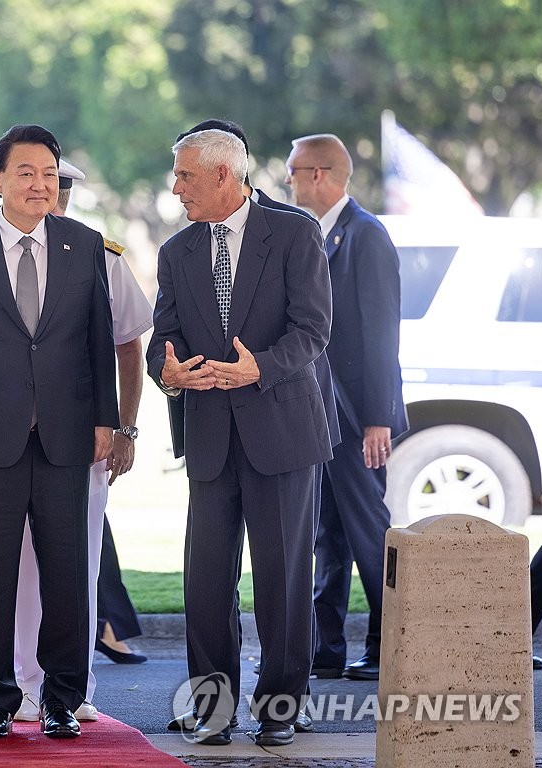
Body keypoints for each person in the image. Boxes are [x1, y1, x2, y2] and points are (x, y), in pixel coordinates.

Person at [0, 124, 119, 740]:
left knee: (67, 573)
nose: (40, 184)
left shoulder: (86, 246)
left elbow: (100, 344)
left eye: (49, 173)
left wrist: (106, 421)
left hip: (66, 434)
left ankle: (62, 697)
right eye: (26, 173)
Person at [146, 129, 332, 747]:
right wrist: (167, 373)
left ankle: (281, 708)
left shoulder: (296, 233)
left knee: (281, 580)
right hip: (208, 439)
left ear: (224, 175)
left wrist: (262, 367)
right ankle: (213, 708)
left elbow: (313, 331)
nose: (176, 188)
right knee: (204, 582)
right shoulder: (175, 252)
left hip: (281, 433)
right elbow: (161, 339)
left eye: (185, 177)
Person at [286, 133, 407, 682]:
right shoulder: (323, 234)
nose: (288, 182)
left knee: (369, 535)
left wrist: (378, 417)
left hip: (360, 417)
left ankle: (392, 645)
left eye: (293, 172)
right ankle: (325, 648)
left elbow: (382, 333)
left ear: (319, 174)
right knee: (325, 534)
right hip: (324, 415)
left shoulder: (366, 235)